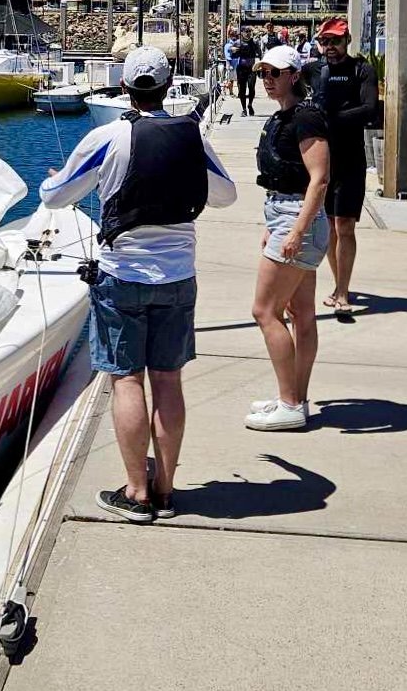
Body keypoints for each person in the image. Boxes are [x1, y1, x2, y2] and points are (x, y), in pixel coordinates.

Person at [40, 45, 237, 521]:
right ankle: (166, 490)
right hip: (177, 276)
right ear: (169, 88)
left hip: (121, 275)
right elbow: (226, 196)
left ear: (124, 87)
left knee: (127, 380)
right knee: (168, 381)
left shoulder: (106, 138)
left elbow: (55, 197)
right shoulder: (191, 139)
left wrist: (54, 180)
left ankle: (135, 493)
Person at [246, 44, 330, 431]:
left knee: (265, 311)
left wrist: (295, 230)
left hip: (299, 220)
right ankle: (295, 396)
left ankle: (290, 403)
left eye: (274, 73)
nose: (267, 79)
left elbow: (320, 179)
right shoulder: (284, 117)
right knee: (301, 313)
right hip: (286, 214)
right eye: (263, 73)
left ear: (294, 75)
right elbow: (289, 178)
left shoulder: (306, 117)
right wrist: (273, 223)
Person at [302, 16, 380, 321]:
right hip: (320, 159)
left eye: (335, 41)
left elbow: (370, 110)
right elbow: (287, 86)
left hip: (350, 159)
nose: (330, 47)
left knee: (345, 225)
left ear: (347, 41)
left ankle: (343, 292)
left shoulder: (362, 70)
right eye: (325, 41)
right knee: (330, 227)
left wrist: (331, 119)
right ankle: (337, 286)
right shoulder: (313, 70)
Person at [234, 28, 259, 115]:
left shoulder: (255, 42)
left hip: (252, 68)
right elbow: (233, 55)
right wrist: (234, 51)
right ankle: (244, 109)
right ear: (242, 33)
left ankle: (250, 104)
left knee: (251, 87)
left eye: (249, 31)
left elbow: (260, 54)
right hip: (241, 68)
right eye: (246, 32)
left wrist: (261, 65)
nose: (248, 33)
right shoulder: (238, 42)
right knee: (242, 90)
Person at [222, 26, 241, 96]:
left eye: (235, 35)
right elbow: (229, 54)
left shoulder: (239, 42)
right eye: (233, 35)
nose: (235, 36)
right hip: (231, 64)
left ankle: (240, 93)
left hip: (238, 62)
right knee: (230, 80)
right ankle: (230, 92)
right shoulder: (228, 44)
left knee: (239, 79)